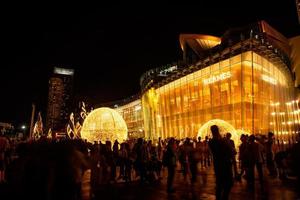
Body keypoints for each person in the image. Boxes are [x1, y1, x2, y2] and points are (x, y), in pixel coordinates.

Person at [209, 125, 233, 200]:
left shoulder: (211, 142)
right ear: (217, 130)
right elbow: (231, 151)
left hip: (217, 164)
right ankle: (224, 197)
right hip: (225, 164)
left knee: (219, 183)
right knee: (229, 183)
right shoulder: (223, 141)